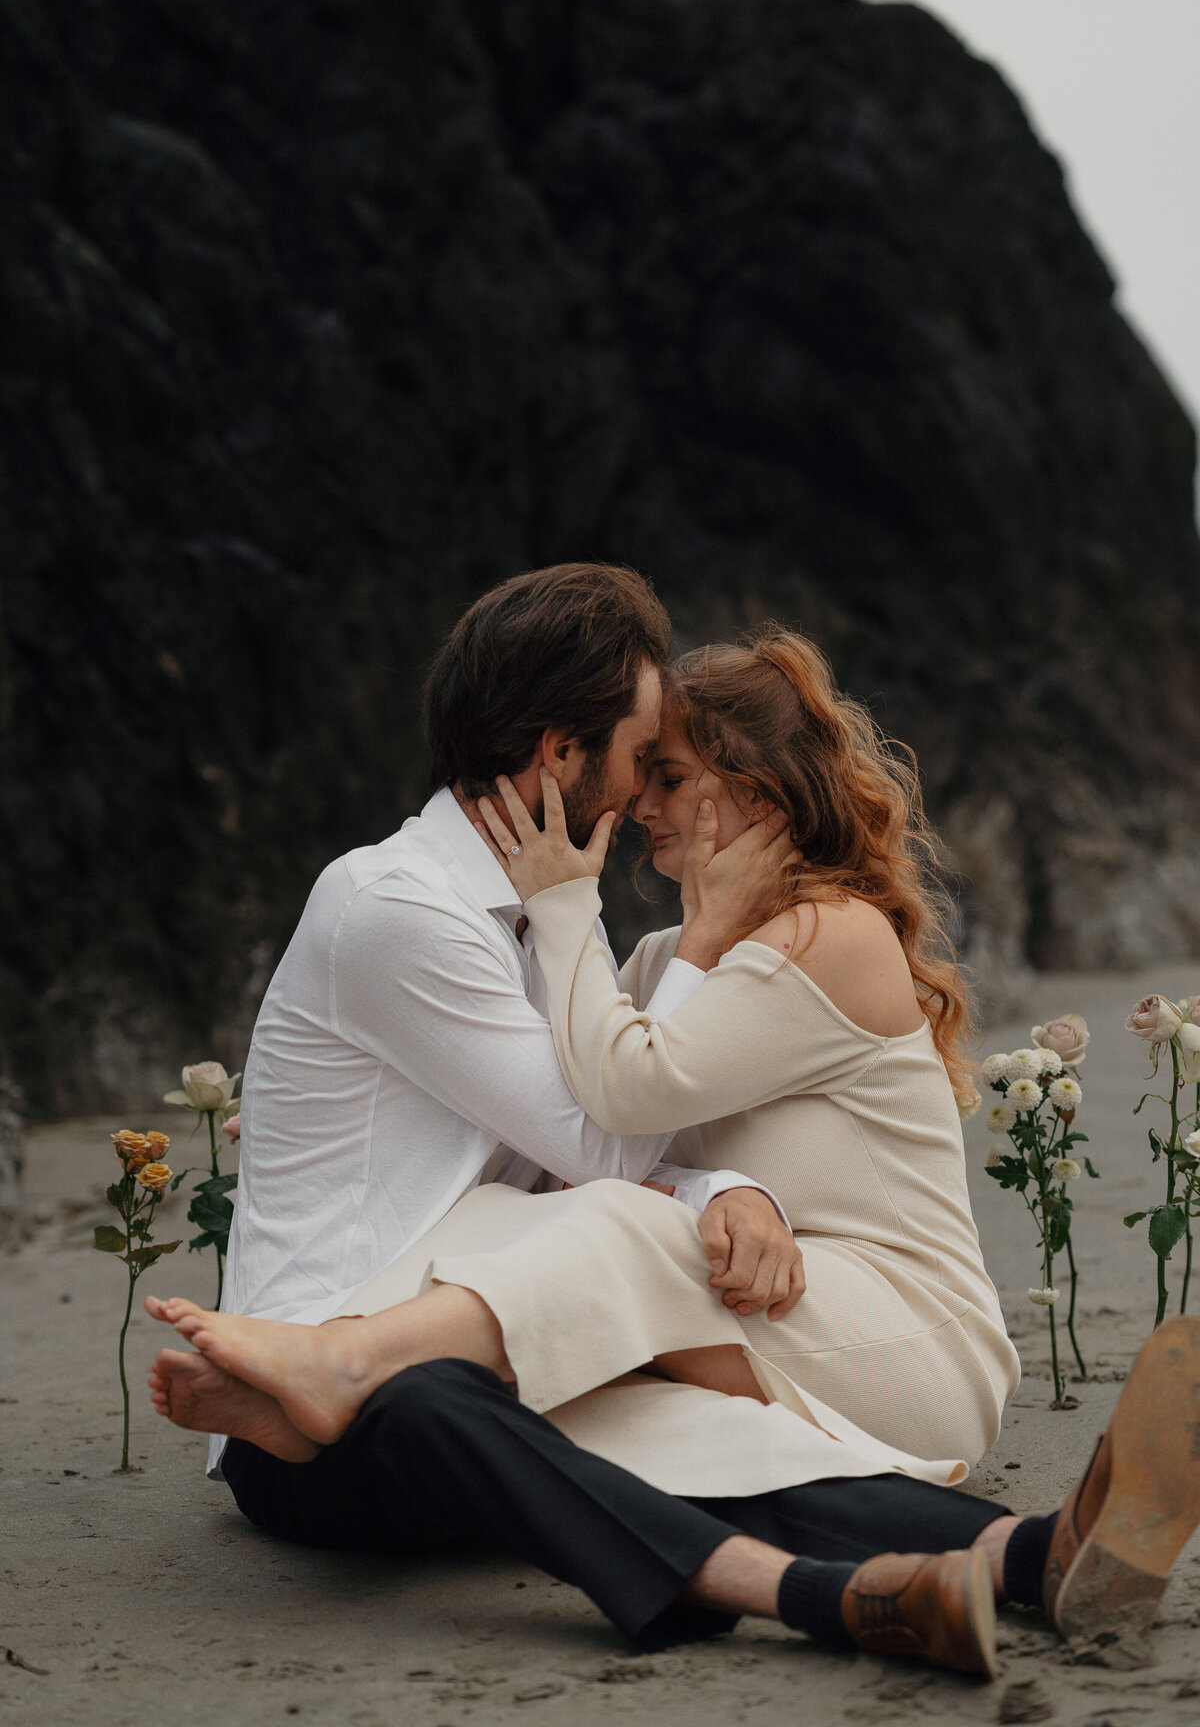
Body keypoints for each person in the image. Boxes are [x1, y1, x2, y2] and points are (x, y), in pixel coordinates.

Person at [148, 579, 1200, 1674]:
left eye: (670, 769)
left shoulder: (585, 926)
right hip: (316, 1401)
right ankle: (893, 1584)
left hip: (487, 1333)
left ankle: (1001, 1561)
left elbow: (609, 1134)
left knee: (657, 1414)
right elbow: (606, 1145)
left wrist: (720, 1189)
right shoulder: (404, 910)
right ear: (563, 756)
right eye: (639, 756)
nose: (647, 793)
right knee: (574, 1410)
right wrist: (717, 1173)